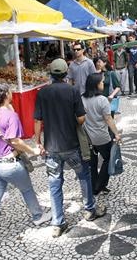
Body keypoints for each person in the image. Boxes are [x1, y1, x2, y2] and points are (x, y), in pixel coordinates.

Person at [34, 59, 105, 238]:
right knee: (84, 175)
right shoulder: (73, 91)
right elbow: (81, 119)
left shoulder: (42, 93)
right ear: (66, 73)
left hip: (51, 147)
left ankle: (58, 223)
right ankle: (89, 209)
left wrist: (38, 142)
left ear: (51, 73)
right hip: (72, 145)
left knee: (55, 183)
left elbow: (37, 120)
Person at [0, 82, 51, 252]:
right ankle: (38, 216)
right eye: (10, 91)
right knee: (27, 189)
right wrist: (32, 150)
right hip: (8, 164)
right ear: (5, 95)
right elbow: (14, 141)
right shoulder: (10, 116)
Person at [82, 73, 122, 196]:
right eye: (101, 82)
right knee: (108, 158)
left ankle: (94, 186)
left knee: (92, 164)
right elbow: (108, 119)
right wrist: (116, 133)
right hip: (102, 136)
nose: (103, 84)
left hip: (88, 137)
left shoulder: (82, 98)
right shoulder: (102, 100)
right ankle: (100, 185)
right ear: (95, 85)